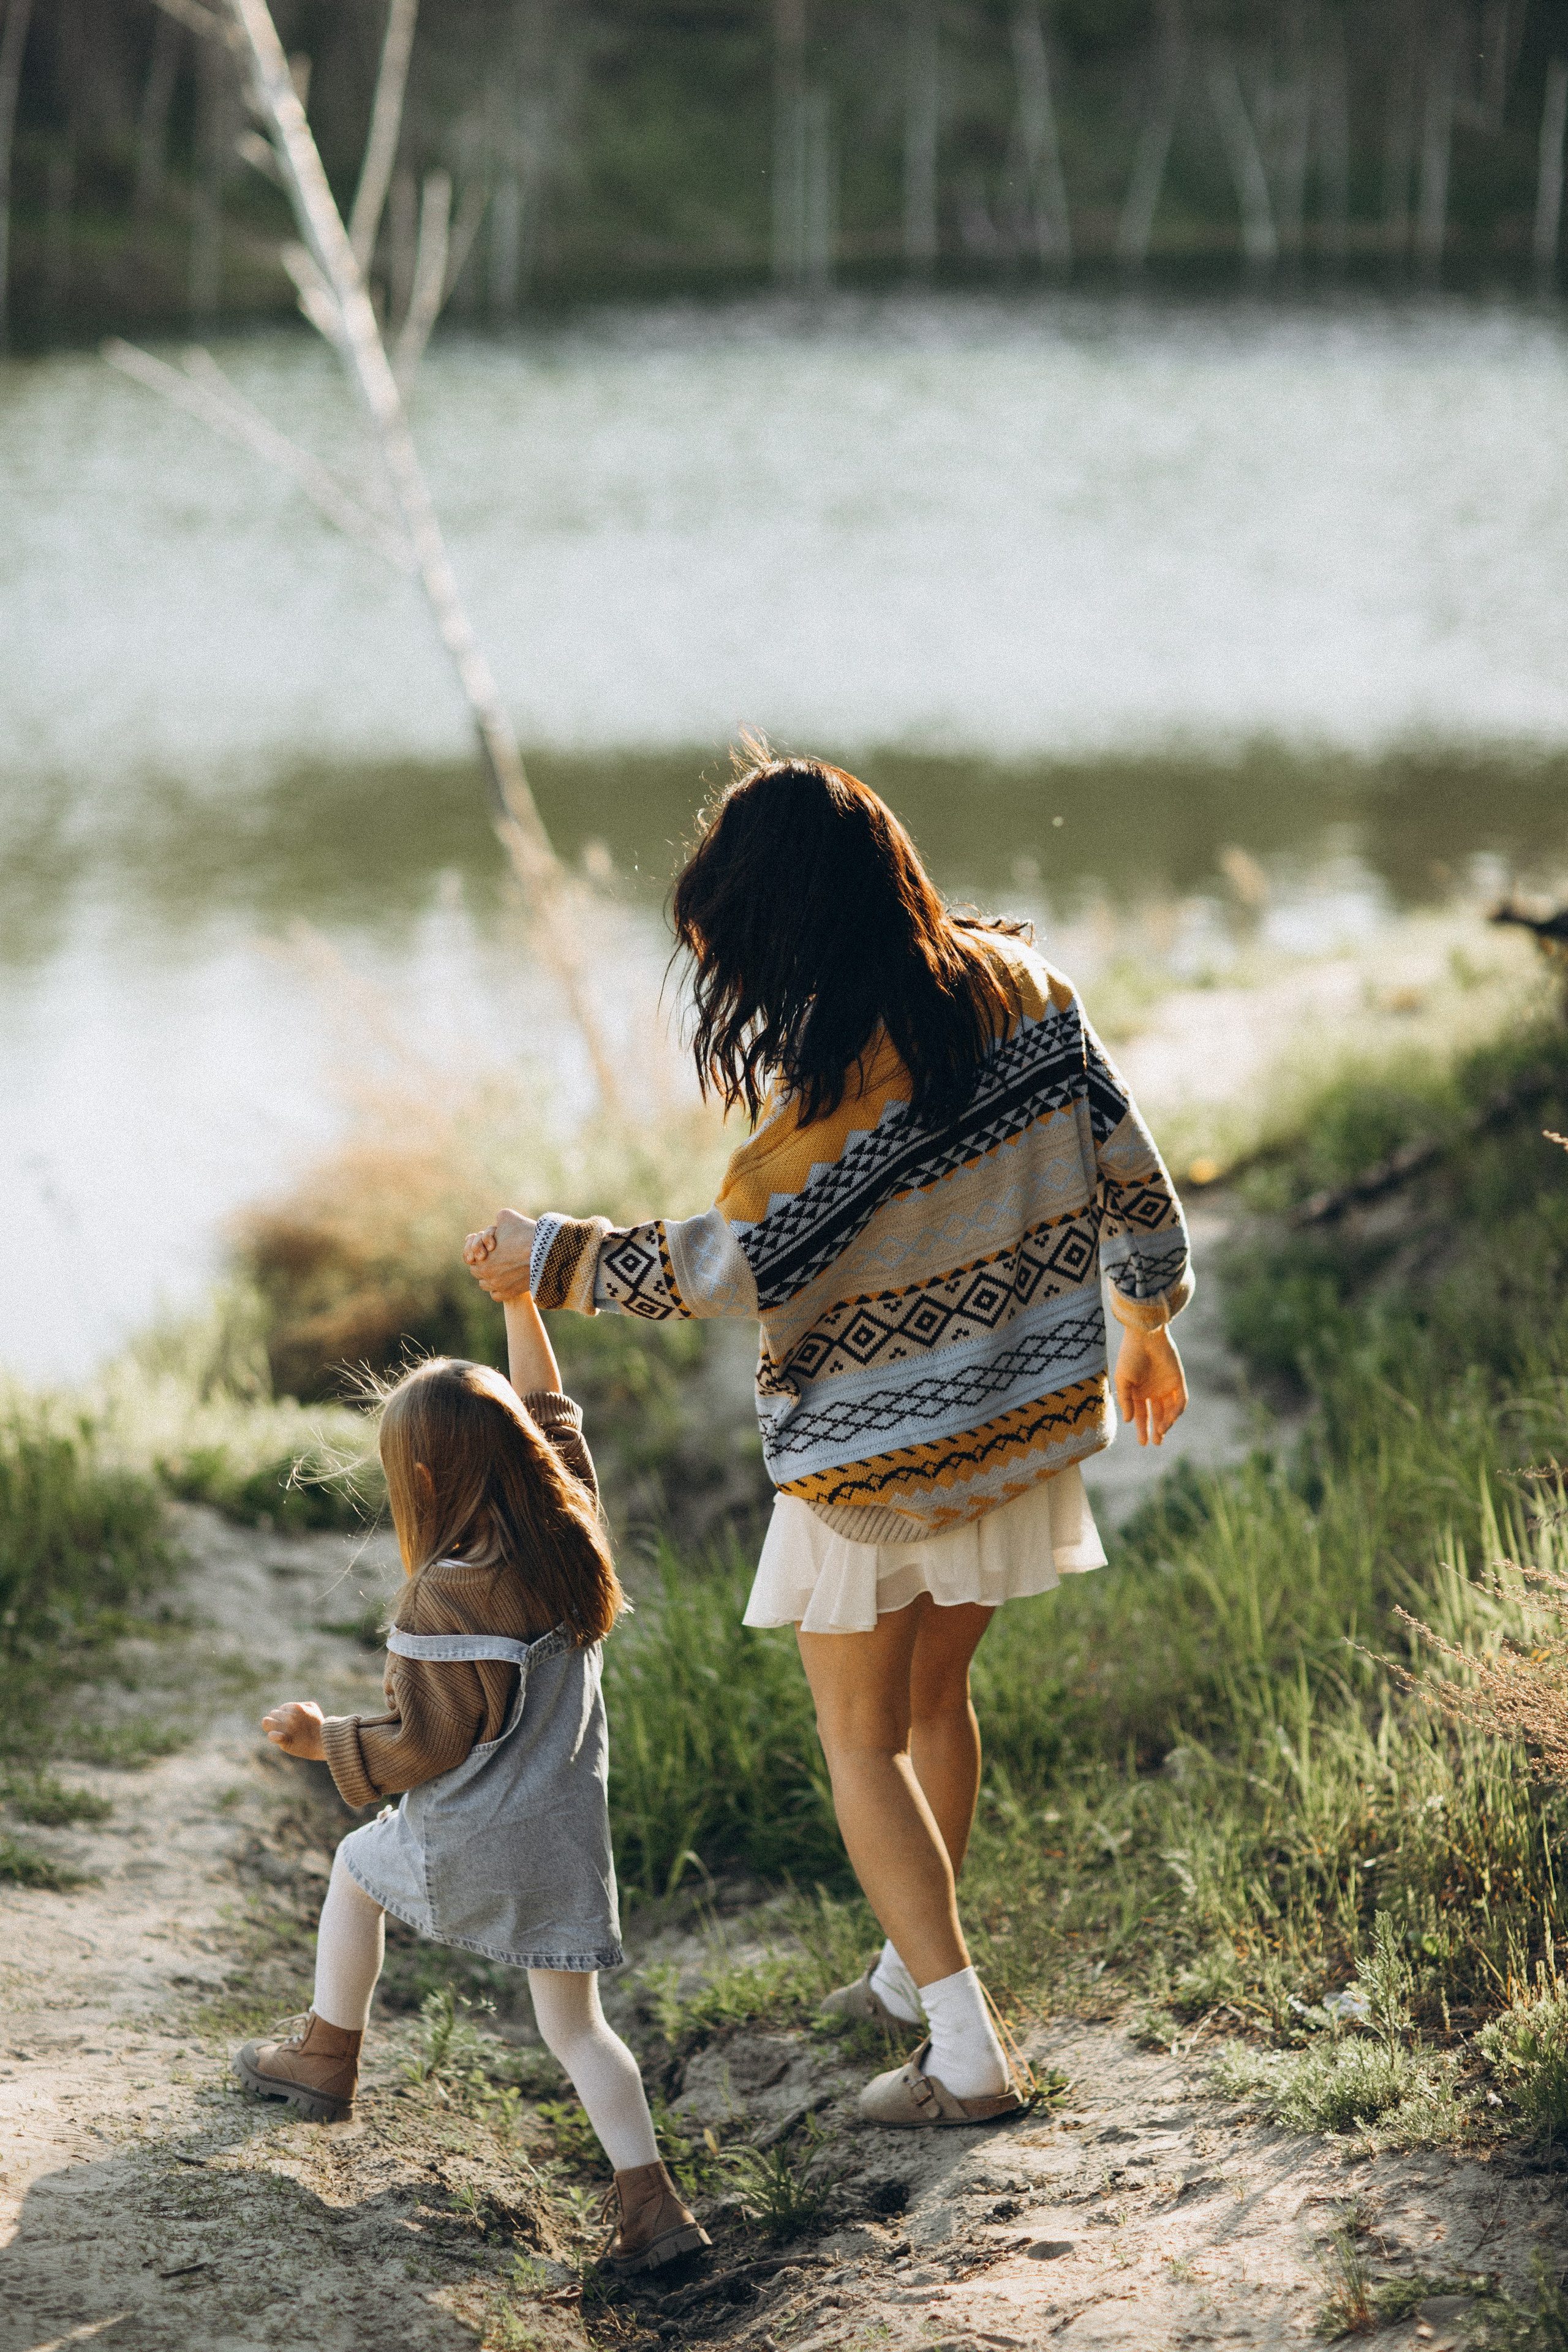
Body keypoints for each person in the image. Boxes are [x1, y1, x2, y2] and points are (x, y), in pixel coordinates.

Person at [466, 749, 1191, 2129]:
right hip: (1017, 1435)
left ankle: (966, 2053)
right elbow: (1131, 1166)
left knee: (860, 1740)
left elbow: (727, 1265)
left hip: (877, 1467)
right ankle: (913, 1975)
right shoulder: (1028, 989)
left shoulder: (837, 1104)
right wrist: (1148, 1320)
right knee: (935, 1705)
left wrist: (548, 1255)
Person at [240, 1295, 708, 2273]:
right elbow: (553, 1412)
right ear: (524, 1452)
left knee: (355, 1867)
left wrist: (323, 1740)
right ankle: (653, 2206)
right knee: (578, 2030)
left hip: (472, 1837)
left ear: (421, 1481)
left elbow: (423, 1745)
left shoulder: (444, 1596)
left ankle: (327, 2054)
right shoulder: (574, 1536)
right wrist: (519, 1298)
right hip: (568, 1846)